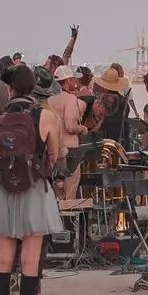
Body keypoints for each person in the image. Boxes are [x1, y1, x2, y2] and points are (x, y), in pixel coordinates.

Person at [0, 65, 64, 295]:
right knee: (30, 260)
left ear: (10, 89)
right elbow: (54, 155)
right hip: (33, 191)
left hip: (3, 192)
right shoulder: (47, 117)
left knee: (3, 259)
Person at [45, 65, 89, 204]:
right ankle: (68, 225)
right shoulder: (70, 99)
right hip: (70, 152)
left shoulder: (49, 99)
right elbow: (70, 126)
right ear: (69, 80)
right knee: (69, 194)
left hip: (53, 149)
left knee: (55, 193)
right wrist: (82, 128)